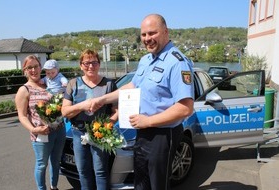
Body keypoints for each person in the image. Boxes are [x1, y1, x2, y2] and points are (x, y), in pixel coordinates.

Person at [90, 14, 194, 190]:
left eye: (152, 33)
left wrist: (148, 121)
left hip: (163, 134)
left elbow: (185, 108)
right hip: (142, 132)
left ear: (166, 32)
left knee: (157, 185)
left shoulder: (177, 62)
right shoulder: (146, 60)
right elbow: (132, 85)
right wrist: (103, 99)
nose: (147, 39)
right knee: (140, 184)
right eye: (144, 35)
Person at [61, 49, 118, 190]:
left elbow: (117, 111)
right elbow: (65, 111)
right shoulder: (73, 84)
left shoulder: (109, 84)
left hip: (100, 133)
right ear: (81, 65)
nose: (90, 66)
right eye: (86, 63)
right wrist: (82, 105)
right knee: (83, 171)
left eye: (94, 62)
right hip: (78, 133)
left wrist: (107, 125)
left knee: (100, 171)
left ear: (99, 64)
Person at [15, 55, 66, 190]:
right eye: (29, 67)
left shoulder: (48, 82)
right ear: (25, 70)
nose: (33, 70)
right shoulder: (24, 90)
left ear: (40, 67)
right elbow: (22, 115)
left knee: (56, 162)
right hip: (41, 134)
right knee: (42, 164)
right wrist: (34, 129)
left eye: (36, 66)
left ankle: (54, 187)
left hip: (59, 130)